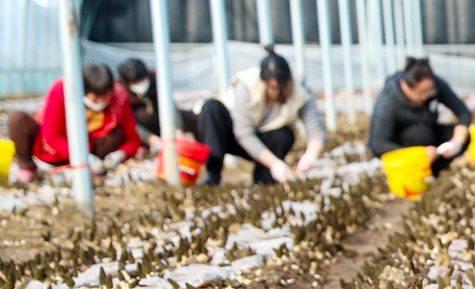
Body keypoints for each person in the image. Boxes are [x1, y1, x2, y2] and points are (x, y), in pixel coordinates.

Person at [197, 46, 326, 185]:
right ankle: (213, 174)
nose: (280, 93)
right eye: (274, 88)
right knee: (211, 107)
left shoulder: (300, 89)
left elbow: (315, 127)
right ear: (264, 82)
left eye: (285, 87)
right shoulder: (246, 85)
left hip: (266, 138)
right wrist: (275, 163)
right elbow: (243, 133)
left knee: (284, 136)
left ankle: (262, 180)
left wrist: (310, 156)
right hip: (235, 137)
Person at [7, 63, 142, 184]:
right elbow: (52, 135)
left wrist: (120, 155)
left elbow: (133, 138)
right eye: (95, 100)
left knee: (116, 134)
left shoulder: (119, 96)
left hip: (94, 151)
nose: (101, 103)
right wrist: (81, 157)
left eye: (106, 98)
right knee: (17, 119)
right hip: (58, 150)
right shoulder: (61, 90)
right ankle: (28, 168)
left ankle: (96, 172)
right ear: (82, 91)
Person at [367, 57, 471, 176]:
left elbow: (463, 112)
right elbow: (377, 143)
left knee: (464, 136)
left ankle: (435, 173)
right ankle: (416, 173)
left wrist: (457, 141)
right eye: (419, 96)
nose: (425, 98)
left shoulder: (436, 85)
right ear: (404, 86)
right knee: (420, 134)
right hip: (403, 148)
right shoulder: (387, 101)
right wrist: (417, 154)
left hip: (429, 139)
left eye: (429, 93)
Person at [117, 58, 199, 151]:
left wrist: (178, 131)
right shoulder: (121, 93)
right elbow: (129, 124)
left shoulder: (156, 79)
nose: (140, 84)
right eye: (135, 83)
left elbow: (171, 106)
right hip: (140, 129)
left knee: (196, 118)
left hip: (164, 120)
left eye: (142, 80)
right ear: (127, 83)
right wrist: (152, 139)